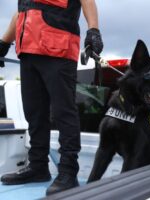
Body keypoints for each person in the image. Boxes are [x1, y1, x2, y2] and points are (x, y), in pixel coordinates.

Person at [0, 0, 103, 195]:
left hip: (59, 48)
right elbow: (23, 12)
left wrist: (94, 30)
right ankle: (38, 167)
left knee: (63, 112)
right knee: (34, 113)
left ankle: (68, 171)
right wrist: (4, 42)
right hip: (28, 51)